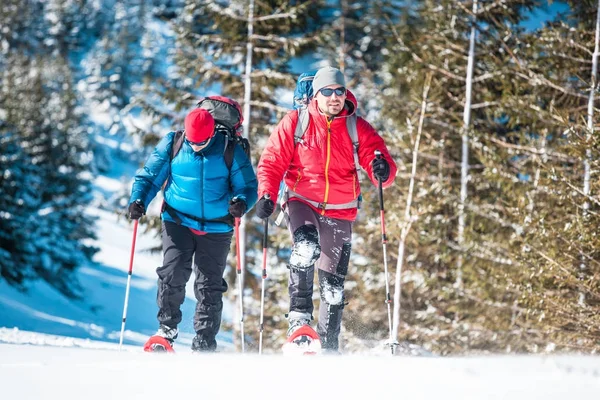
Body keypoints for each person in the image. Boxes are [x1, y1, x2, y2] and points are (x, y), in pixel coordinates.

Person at [255, 66, 397, 353]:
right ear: (315, 95)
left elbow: (377, 158)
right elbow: (272, 161)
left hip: (340, 208)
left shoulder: (356, 126)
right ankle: (299, 323)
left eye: (340, 91)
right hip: (302, 200)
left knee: (333, 287)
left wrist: (382, 169)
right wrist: (267, 194)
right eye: (328, 91)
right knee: (305, 247)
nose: (335, 97)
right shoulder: (297, 121)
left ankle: (329, 346)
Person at [127, 106, 258, 352]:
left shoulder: (230, 148)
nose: (196, 146)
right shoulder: (174, 142)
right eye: (192, 141)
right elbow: (149, 177)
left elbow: (249, 186)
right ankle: (165, 331)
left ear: (212, 135)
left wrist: (241, 201)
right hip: (178, 220)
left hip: (217, 226)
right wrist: (139, 200)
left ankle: (205, 339)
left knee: (209, 284)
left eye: (202, 142)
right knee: (173, 272)